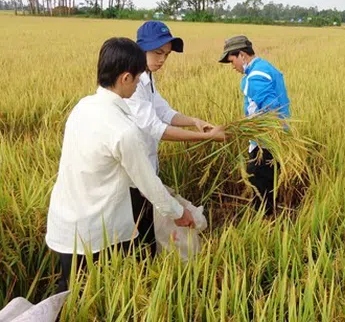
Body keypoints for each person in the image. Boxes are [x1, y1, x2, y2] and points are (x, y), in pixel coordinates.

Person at [45, 37, 219, 292]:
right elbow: (147, 183)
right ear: (126, 78)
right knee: (104, 293)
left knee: (70, 291)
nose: (138, 84)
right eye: (137, 80)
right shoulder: (123, 130)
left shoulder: (82, 107)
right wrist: (179, 213)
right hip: (97, 232)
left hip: (66, 223)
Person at [125, 21, 225, 256]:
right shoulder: (132, 83)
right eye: (158, 52)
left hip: (146, 170)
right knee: (138, 236)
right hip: (131, 175)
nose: (162, 60)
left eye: (166, 55)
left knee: (148, 232)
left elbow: (165, 112)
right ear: (141, 48)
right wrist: (206, 138)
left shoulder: (147, 78)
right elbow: (155, 127)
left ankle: (148, 268)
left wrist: (195, 121)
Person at [219, 35, 290, 215]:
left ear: (242, 55)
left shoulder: (255, 76)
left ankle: (263, 226)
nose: (233, 67)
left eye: (232, 60)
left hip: (263, 145)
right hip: (275, 140)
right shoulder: (266, 67)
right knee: (267, 187)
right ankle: (267, 219)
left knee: (260, 188)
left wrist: (242, 127)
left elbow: (270, 110)